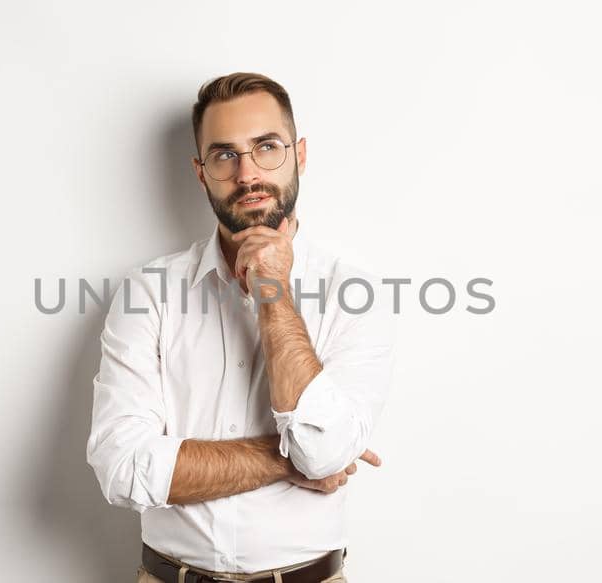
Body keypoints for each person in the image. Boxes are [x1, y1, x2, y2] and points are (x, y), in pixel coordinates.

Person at [86, 72, 396, 583]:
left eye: (266, 147)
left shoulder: (355, 291)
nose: (247, 173)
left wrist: (273, 288)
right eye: (224, 155)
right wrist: (290, 459)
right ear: (200, 171)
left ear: (299, 154)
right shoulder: (149, 291)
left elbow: (324, 450)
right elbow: (123, 468)